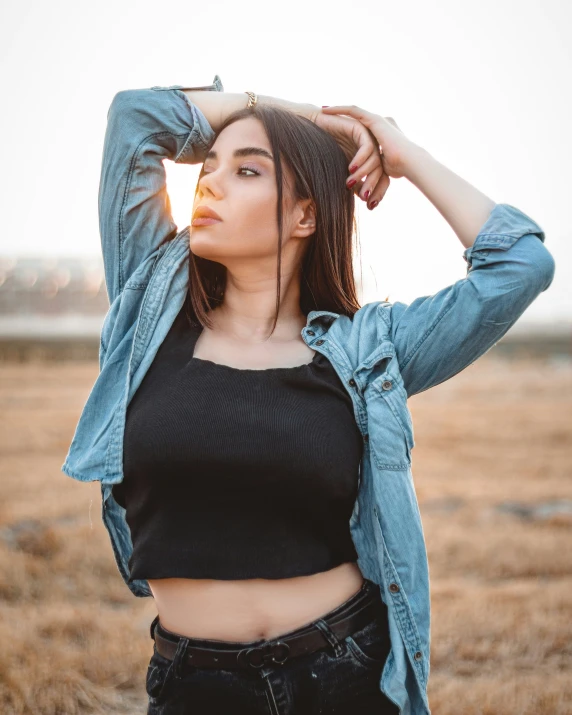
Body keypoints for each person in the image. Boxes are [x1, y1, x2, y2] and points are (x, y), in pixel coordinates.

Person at [61, 75, 556, 715]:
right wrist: (307, 119)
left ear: (305, 214)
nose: (207, 182)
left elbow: (520, 264)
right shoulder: (150, 311)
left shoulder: (368, 348)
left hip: (343, 673)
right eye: (208, 165)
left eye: (248, 171)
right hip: (193, 684)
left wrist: (399, 152)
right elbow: (136, 118)